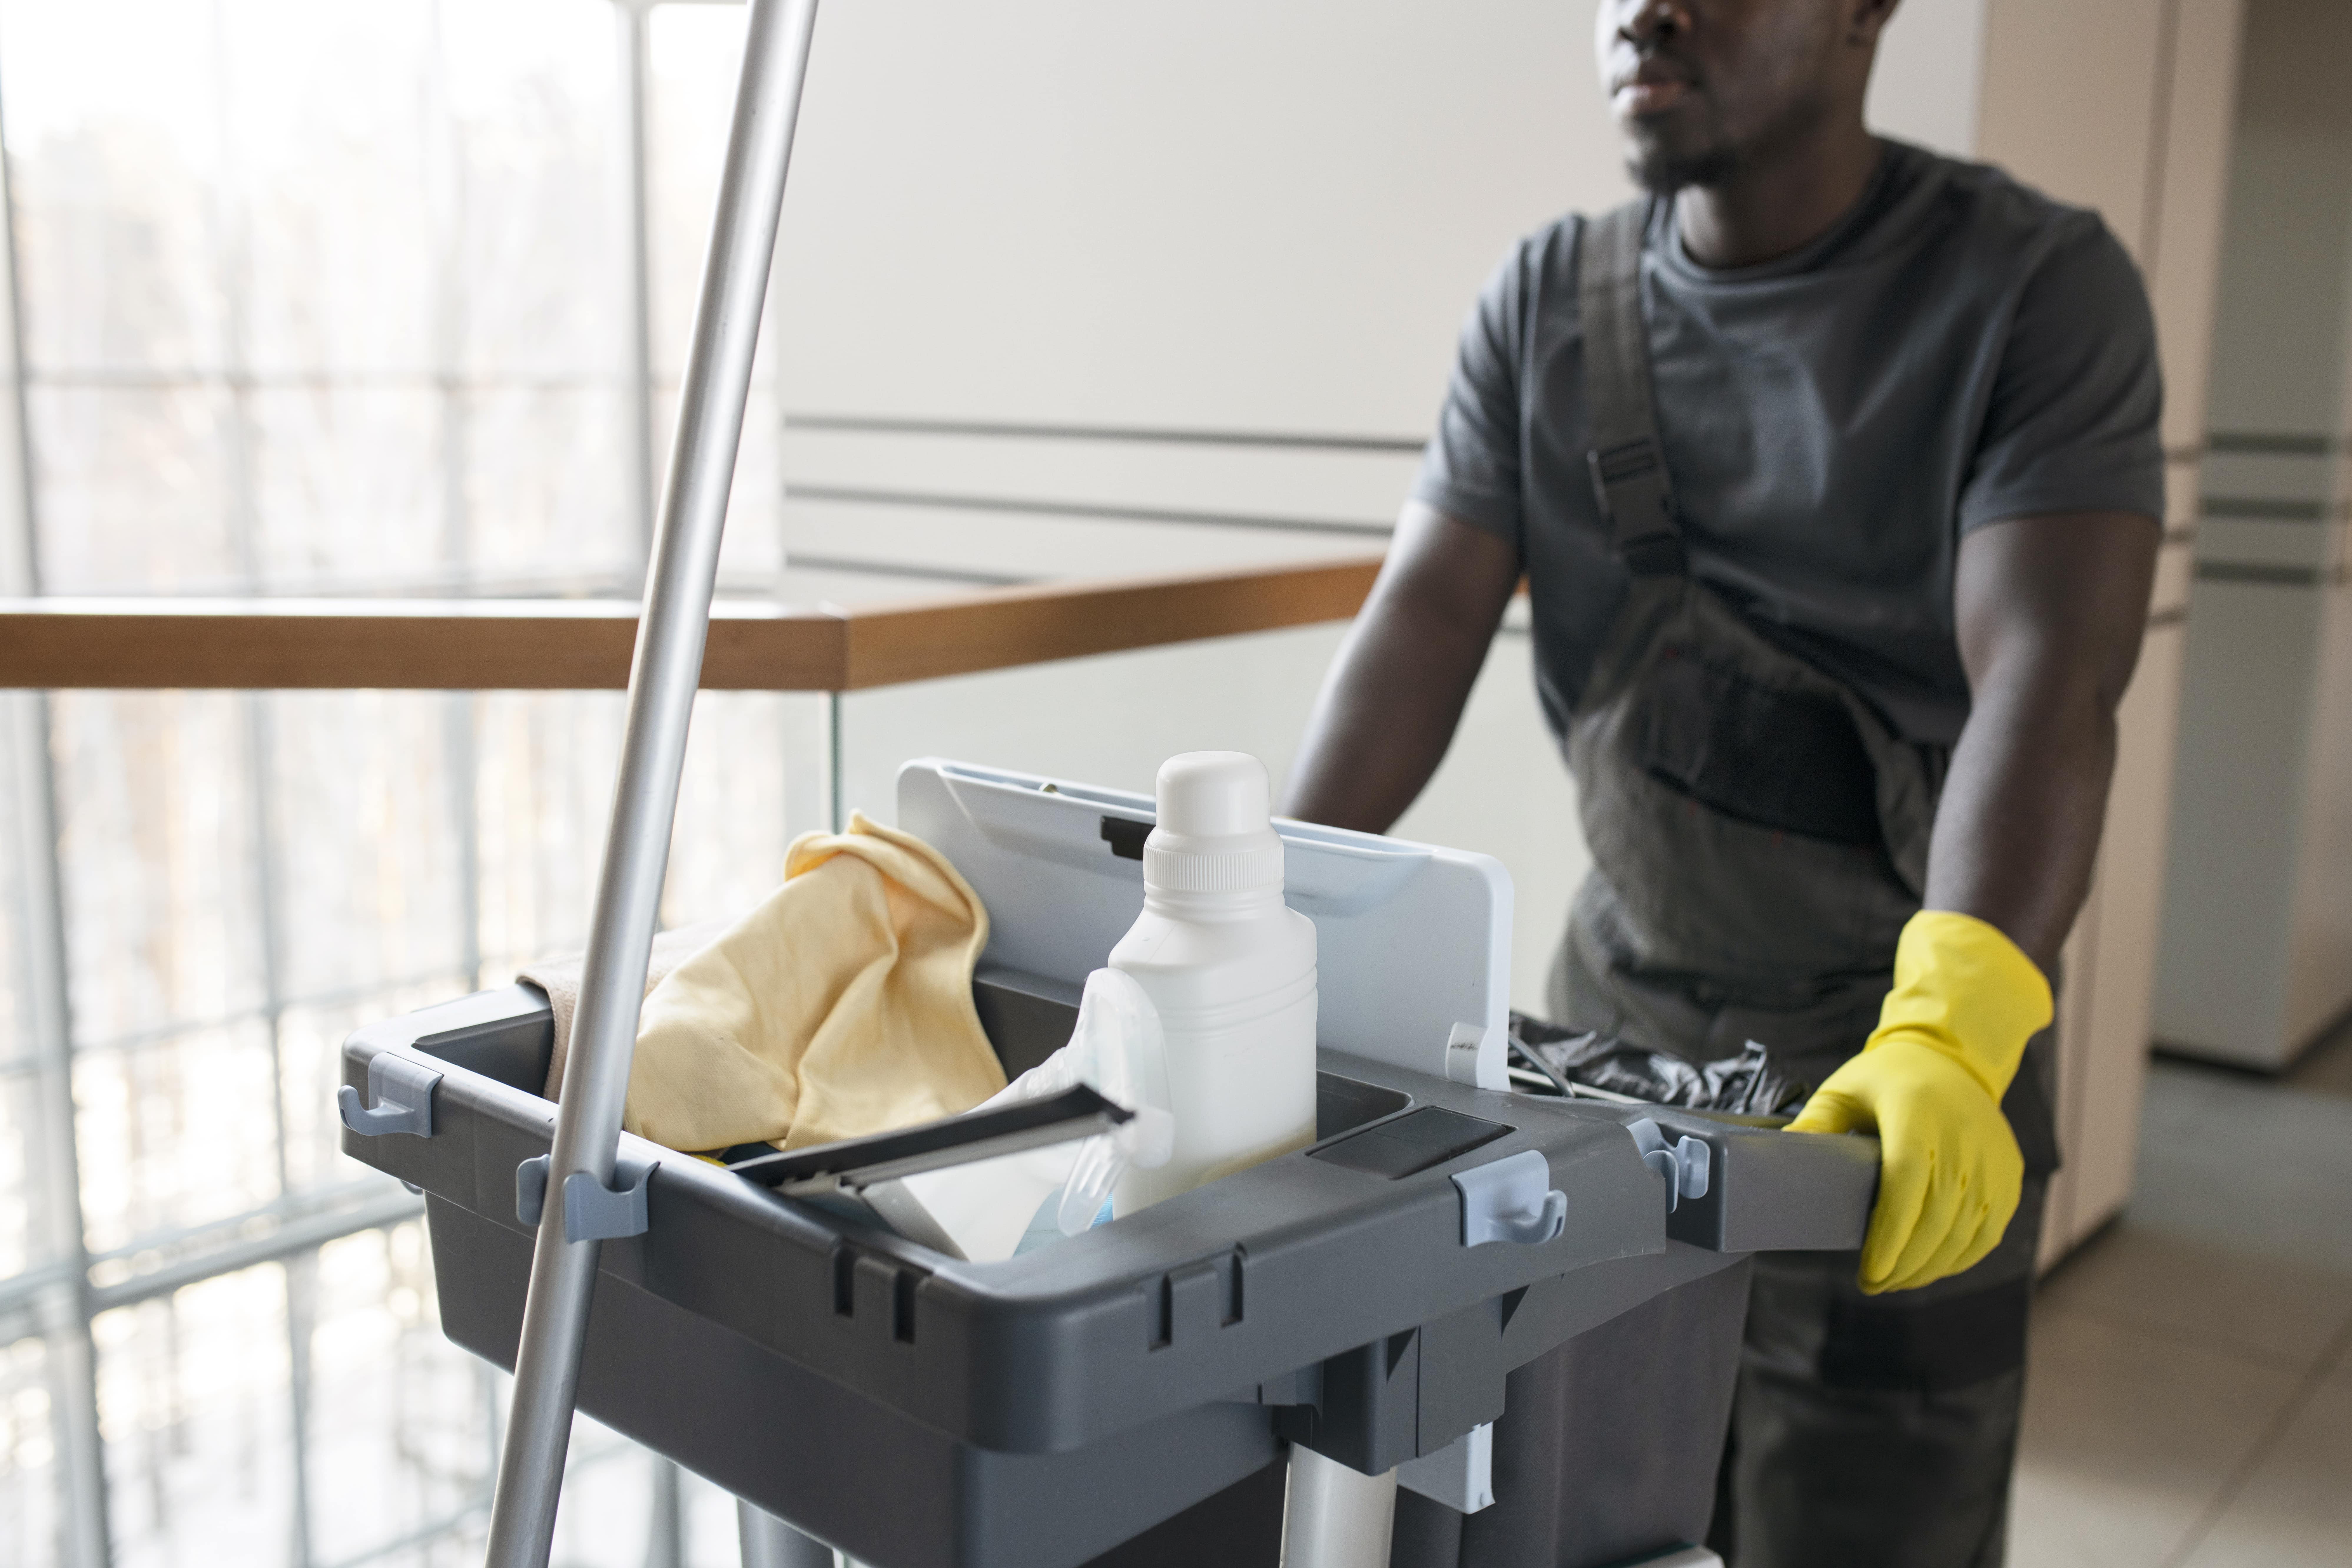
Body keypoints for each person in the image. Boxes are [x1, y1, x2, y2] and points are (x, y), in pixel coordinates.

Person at [1281, 1, 2162, 1563]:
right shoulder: (1547, 302)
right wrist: (1263, 914)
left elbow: (2045, 674)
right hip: (1613, 1065)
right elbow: (1419, 620)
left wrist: (1956, 1029)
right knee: (1584, 1511)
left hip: (1894, 1091)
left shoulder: (2028, 292)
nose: (1638, 7)